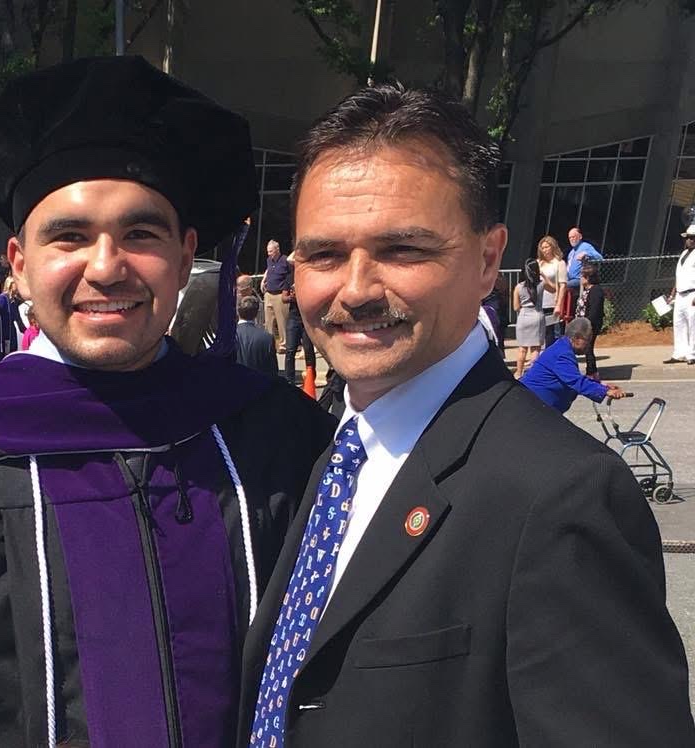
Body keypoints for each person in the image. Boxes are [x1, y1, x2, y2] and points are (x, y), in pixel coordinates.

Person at [0, 56, 334, 748]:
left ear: (184, 258)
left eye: (141, 234)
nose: (106, 265)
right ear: (19, 264)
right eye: (69, 236)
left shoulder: (274, 438)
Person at [239, 83, 694, 748]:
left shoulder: (561, 497)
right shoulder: (332, 454)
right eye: (325, 254)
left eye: (403, 250)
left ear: (486, 261)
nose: (357, 289)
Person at [521, 318, 625, 413]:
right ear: (577, 338)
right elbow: (575, 381)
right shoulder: (563, 354)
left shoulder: (561, 346)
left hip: (536, 404)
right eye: (587, 340)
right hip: (532, 405)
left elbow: (571, 379)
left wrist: (602, 385)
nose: (589, 345)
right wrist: (605, 391)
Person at [665, 224, 695, 364]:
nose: (688, 240)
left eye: (691, 238)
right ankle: (679, 353)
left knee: (692, 324)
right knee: (678, 323)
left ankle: (692, 354)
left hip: (692, 294)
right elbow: (679, 276)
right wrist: (672, 294)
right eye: (687, 238)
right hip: (680, 295)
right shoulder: (684, 254)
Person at [282, 264, 316, 387]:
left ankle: (311, 377)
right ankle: (289, 380)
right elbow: (283, 298)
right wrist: (292, 297)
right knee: (290, 349)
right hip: (294, 317)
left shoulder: (309, 278)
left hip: (306, 318)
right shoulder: (290, 278)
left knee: (308, 349)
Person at [512, 258, 545, 377]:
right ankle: (534, 373)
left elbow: (516, 307)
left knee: (522, 348)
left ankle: (519, 372)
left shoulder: (518, 287)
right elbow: (553, 287)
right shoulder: (541, 285)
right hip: (537, 316)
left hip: (524, 316)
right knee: (536, 348)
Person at [235, 295, 278, 377]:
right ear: (256, 313)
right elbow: (273, 371)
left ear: (238, 311)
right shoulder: (267, 338)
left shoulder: (228, 336)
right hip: (259, 386)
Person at [575, 261, 605, 378]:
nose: (580, 279)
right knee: (587, 348)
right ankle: (591, 371)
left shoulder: (595, 291)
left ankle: (592, 372)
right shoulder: (587, 290)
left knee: (588, 347)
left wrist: (587, 324)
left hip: (590, 325)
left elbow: (594, 310)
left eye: (582, 276)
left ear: (587, 278)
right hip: (583, 324)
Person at [260, 239, 290, 352]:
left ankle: (284, 344)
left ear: (277, 250)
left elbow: (290, 274)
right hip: (269, 293)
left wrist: (286, 290)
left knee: (282, 321)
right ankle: (269, 344)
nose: (269, 254)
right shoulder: (269, 260)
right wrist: (264, 279)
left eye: (271, 251)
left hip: (279, 294)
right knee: (268, 322)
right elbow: (268, 269)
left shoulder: (285, 260)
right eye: (268, 251)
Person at [536, 234, 566, 346]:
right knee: (538, 333)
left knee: (550, 333)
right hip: (538, 302)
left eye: (547, 247)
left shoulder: (559, 263)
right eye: (542, 248)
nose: (544, 250)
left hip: (551, 302)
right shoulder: (539, 263)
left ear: (553, 247)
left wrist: (559, 304)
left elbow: (562, 286)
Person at [564, 226, 602, 293]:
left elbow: (599, 257)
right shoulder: (571, 253)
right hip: (569, 280)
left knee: (562, 286)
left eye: (573, 237)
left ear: (580, 237)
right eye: (570, 237)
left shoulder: (586, 246)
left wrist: (586, 253)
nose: (571, 239)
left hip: (580, 279)